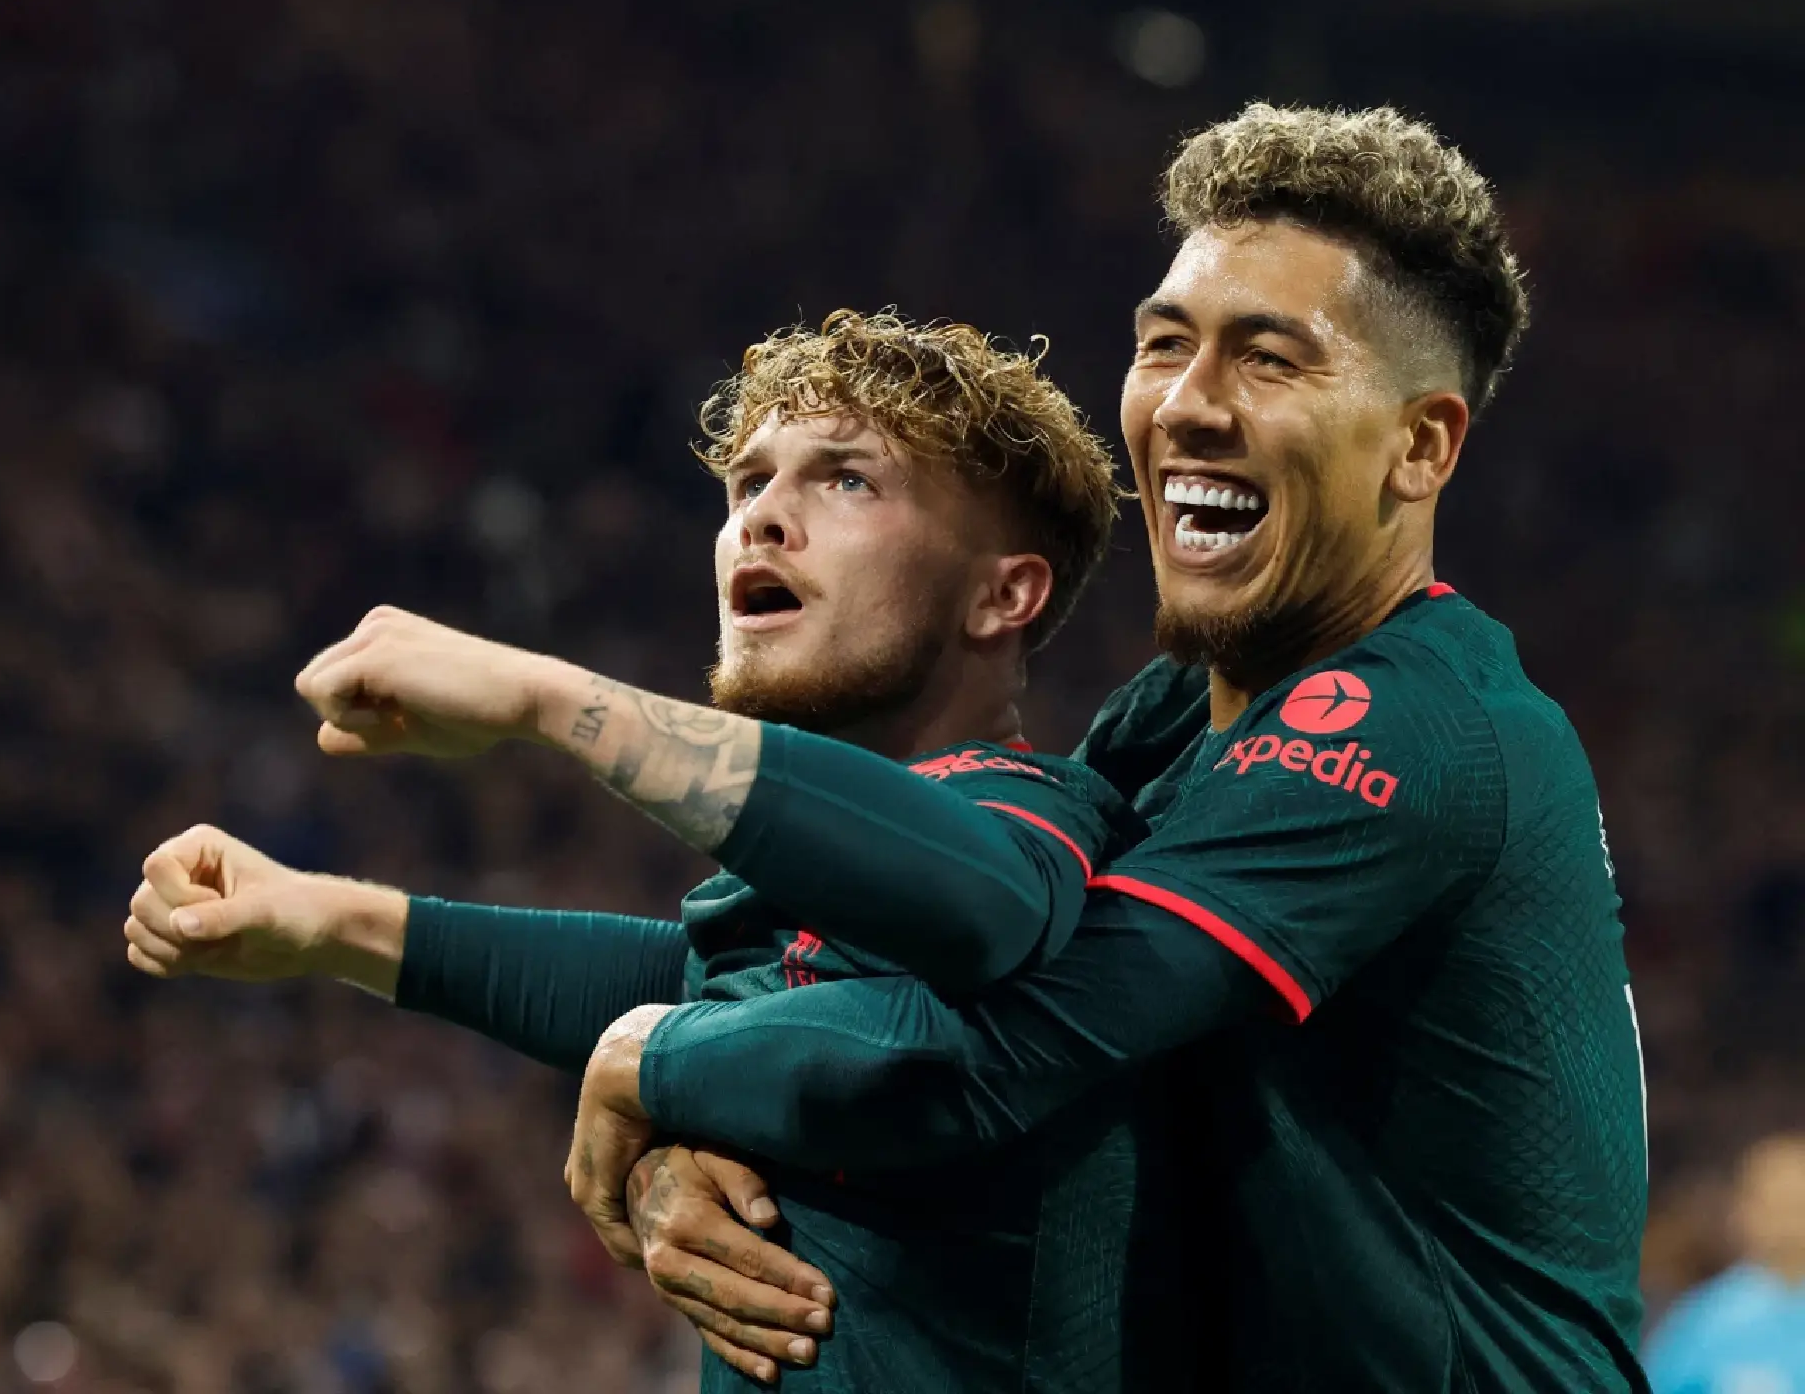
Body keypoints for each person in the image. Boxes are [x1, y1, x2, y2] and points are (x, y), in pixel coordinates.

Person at [557, 104, 1653, 1390]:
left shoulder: (1414, 722)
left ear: (1418, 446)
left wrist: (661, 1060)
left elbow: (1011, 1045)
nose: (1185, 405)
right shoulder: (1169, 716)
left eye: (1267, 359)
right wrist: (686, 1124)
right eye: (1162, 344)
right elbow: (876, 976)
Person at [124, 310, 1210, 1391]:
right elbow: (690, 980)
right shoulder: (809, 897)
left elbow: (983, 909)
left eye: (846, 482)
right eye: (747, 484)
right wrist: (326, 920)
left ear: (1001, 593)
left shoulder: (1036, 812)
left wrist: (543, 698)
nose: (762, 521)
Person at [1643, 1133, 1805, 1394]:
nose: (1787, 1221)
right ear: (1743, 1211)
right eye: (1773, 1203)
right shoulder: (1703, 1320)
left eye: (1797, 1203)